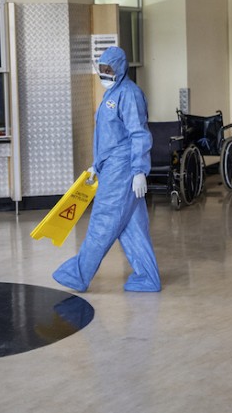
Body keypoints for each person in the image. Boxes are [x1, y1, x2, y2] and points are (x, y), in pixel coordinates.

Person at [52, 46, 161, 292]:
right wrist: (98, 164)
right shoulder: (112, 94)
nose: (104, 74)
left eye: (109, 69)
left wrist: (139, 170)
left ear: (121, 68)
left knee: (103, 221)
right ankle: (148, 277)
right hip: (113, 166)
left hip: (122, 170)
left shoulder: (129, 95)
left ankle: (79, 274)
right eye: (101, 69)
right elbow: (110, 136)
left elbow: (139, 134)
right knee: (132, 226)